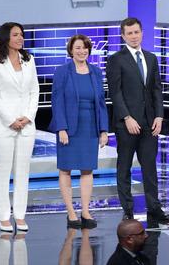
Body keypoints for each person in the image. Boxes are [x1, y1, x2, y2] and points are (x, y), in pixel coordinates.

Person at [106, 17, 169, 224]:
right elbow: (115, 93)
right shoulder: (116, 59)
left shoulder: (151, 58)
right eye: (130, 33)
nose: (134, 36)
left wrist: (159, 115)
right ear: (123, 36)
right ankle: (128, 210)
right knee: (124, 167)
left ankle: (154, 208)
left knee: (150, 168)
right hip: (127, 124)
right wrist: (127, 117)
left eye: (137, 32)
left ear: (142, 33)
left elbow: (156, 89)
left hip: (149, 123)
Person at [49, 34, 109, 229]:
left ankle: (85, 211)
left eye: (84, 48)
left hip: (90, 126)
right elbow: (56, 101)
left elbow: (101, 102)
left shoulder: (96, 72)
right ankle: (71, 213)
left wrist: (103, 130)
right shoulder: (62, 71)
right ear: (71, 50)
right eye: (77, 48)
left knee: (87, 169)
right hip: (69, 127)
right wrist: (61, 128)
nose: (82, 51)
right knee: (66, 169)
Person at [0, 22, 39, 232]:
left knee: (22, 171)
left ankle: (19, 214)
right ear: (6, 37)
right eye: (16, 35)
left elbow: (34, 91)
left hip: (26, 126)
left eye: (22, 35)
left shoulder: (29, 60)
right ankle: (2, 216)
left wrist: (27, 117)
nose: (20, 38)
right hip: (3, 126)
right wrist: (11, 120)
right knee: (3, 171)